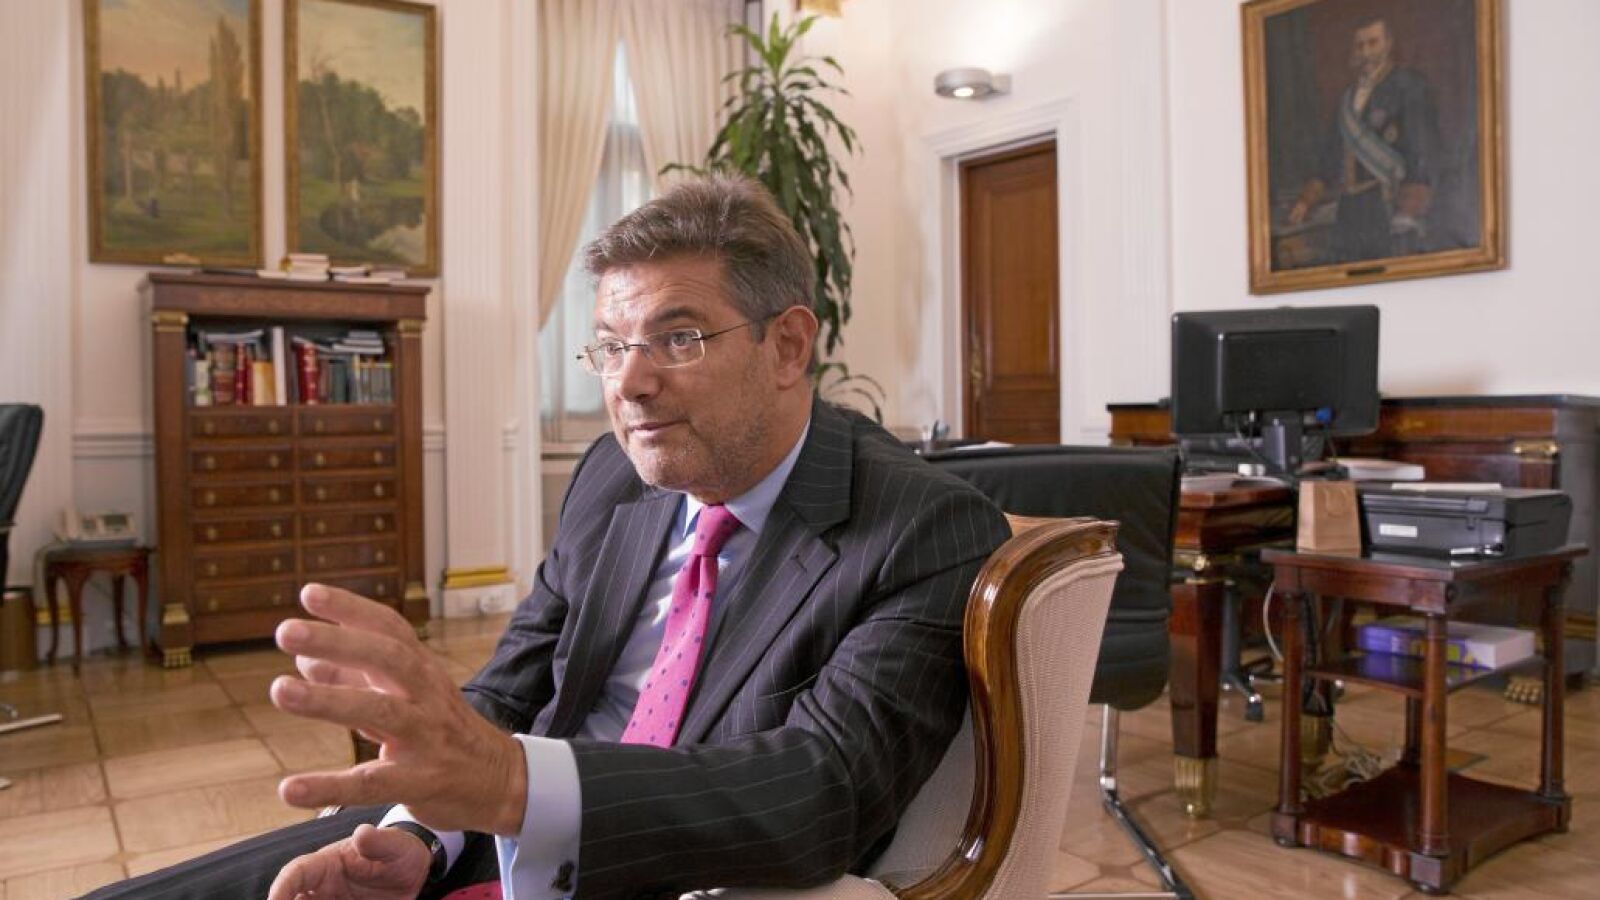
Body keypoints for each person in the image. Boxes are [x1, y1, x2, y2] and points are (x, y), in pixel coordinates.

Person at [89, 175, 1010, 900]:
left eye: (678, 338)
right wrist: (418, 834)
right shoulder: (613, 477)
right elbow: (513, 686)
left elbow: (822, 792)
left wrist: (512, 787)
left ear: (788, 346)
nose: (630, 384)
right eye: (609, 345)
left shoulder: (920, 528)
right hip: (485, 848)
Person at [1285, 16, 1442, 264]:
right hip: (1349, 207)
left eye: (1373, 43)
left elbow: (1423, 149)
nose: (1366, 52)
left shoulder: (1409, 86)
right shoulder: (1347, 99)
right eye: (1360, 45)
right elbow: (1330, 157)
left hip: (1388, 204)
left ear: (1388, 43)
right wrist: (1306, 201)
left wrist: (1409, 210)